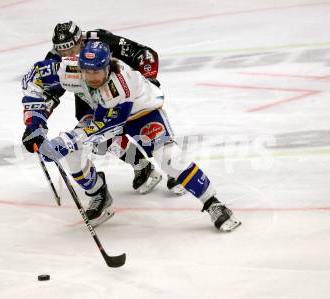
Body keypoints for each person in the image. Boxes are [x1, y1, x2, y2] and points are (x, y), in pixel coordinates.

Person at [37, 41, 241, 231]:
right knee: (74, 153)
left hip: (141, 113)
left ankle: (213, 203)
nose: (92, 77)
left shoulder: (119, 84)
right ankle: (99, 193)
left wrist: (68, 140)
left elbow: (109, 125)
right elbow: (35, 78)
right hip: (104, 114)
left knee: (169, 157)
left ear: (107, 66)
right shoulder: (70, 69)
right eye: (87, 71)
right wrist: (33, 123)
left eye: (97, 71)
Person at [23, 21, 184, 195]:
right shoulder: (56, 58)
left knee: (146, 124)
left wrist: (149, 79)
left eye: (72, 50)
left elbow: (146, 54)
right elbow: (48, 93)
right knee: (97, 137)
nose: (68, 55)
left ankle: (172, 168)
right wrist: (34, 124)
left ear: (81, 42)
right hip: (90, 94)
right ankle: (140, 164)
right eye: (63, 51)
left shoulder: (100, 40)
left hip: (126, 90)